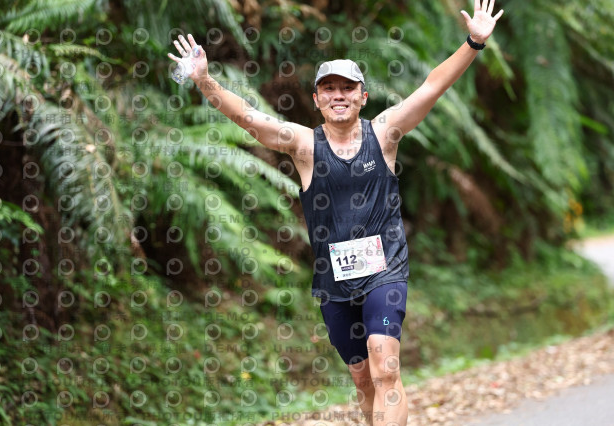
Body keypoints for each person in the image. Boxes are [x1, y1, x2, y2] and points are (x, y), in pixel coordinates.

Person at [169, 1, 503, 424]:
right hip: (335, 282)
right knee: (363, 379)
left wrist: (473, 43)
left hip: (385, 271)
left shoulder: (385, 133)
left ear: (363, 97)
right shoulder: (304, 146)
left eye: (348, 88)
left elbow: (431, 87)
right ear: (317, 99)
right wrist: (204, 81)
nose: (339, 95)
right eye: (329, 89)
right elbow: (249, 118)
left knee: (385, 368)